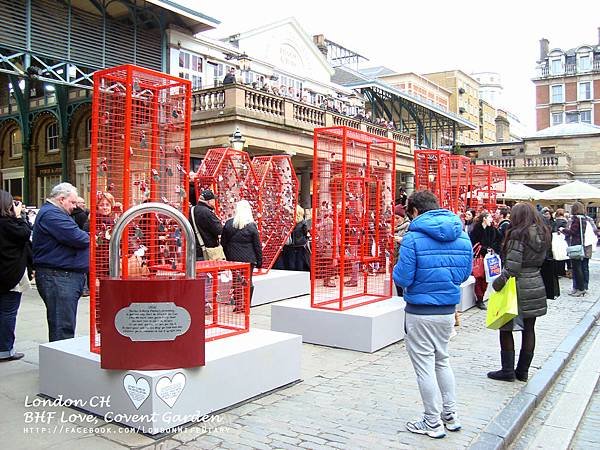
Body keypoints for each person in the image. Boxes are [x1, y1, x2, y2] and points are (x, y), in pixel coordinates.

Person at [393, 190, 472, 439]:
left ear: (415, 211)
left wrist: (399, 266)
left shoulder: (412, 238)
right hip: (447, 309)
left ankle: (431, 422)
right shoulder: (461, 235)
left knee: (424, 367)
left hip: (420, 310)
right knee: (442, 361)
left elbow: (403, 277)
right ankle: (450, 415)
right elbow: (463, 275)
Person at [487, 202, 550, 382]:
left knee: (505, 327)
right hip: (535, 282)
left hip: (517, 286)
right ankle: (522, 371)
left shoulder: (518, 234)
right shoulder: (542, 232)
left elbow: (513, 267)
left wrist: (497, 283)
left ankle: (507, 371)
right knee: (529, 329)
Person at [32, 182, 89, 342]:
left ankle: (61, 362)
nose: (74, 207)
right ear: (61, 199)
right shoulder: (52, 214)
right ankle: (60, 365)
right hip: (59, 277)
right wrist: (94, 237)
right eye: (72, 202)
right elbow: (79, 238)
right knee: (62, 326)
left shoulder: (55, 213)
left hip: (63, 276)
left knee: (64, 323)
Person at [0, 191, 33, 361]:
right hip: (10, 276)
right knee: (8, 312)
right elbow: (25, 233)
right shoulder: (10, 224)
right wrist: (20, 216)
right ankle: (5, 349)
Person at [221, 200, 263, 309]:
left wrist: (227, 255)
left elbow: (223, 243)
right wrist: (259, 261)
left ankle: (238, 305)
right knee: (248, 281)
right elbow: (257, 246)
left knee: (236, 281)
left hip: (233, 258)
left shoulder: (229, 224)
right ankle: (247, 305)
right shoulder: (252, 226)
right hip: (249, 258)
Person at [470, 211, 502, 310]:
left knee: (486, 278)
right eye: (489, 218)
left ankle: (481, 297)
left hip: (489, 257)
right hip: (479, 257)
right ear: (484, 218)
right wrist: (483, 248)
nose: (491, 220)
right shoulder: (476, 229)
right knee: (479, 277)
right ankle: (479, 299)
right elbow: (473, 242)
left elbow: (500, 240)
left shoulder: (492, 230)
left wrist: (493, 248)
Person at [561, 202, 590, 297]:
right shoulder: (584, 219)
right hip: (581, 244)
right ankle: (580, 288)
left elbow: (572, 231)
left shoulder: (577, 219)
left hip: (575, 245)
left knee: (577, 268)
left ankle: (580, 289)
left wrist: (562, 230)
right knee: (579, 268)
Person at [191, 189, 223, 261]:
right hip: (206, 249)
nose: (215, 202)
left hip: (194, 247)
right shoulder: (207, 212)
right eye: (213, 200)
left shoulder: (192, 210)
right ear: (209, 201)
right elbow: (219, 230)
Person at [392, 204, 410, 297]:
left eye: (397, 218)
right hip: (395, 259)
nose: (395, 221)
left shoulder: (409, 226)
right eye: (394, 218)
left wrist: (401, 240)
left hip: (403, 259)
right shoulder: (393, 229)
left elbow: (411, 243)